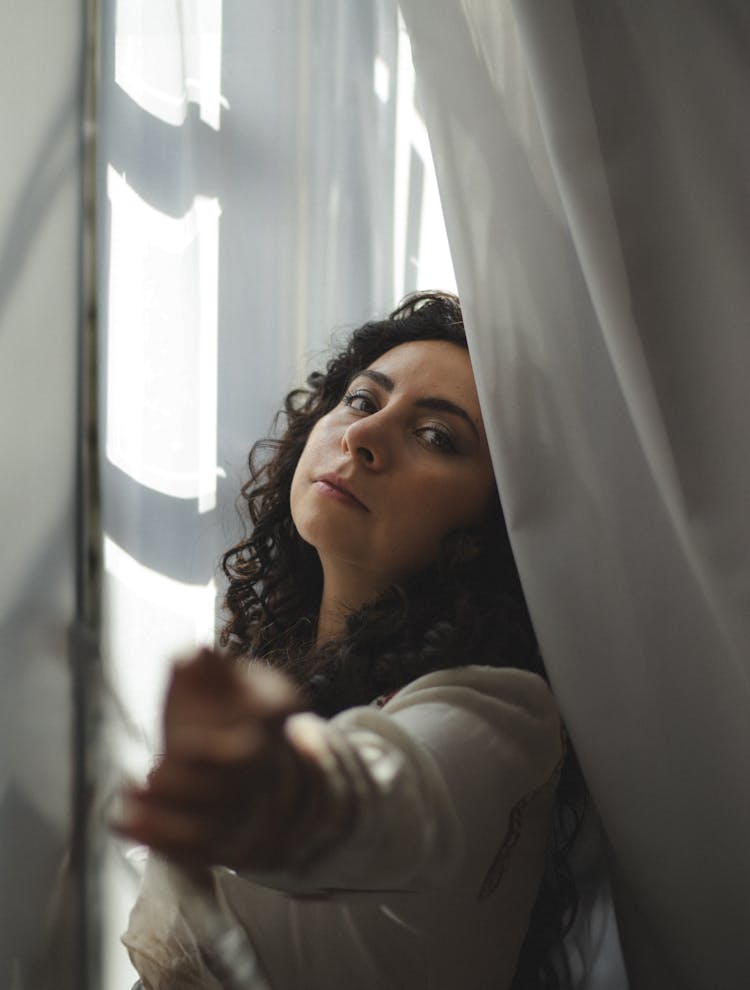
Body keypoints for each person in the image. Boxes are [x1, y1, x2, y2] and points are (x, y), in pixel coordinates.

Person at [118, 292, 585, 989]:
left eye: (438, 436)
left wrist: (272, 790)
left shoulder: (504, 711)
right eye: (364, 401)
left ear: (494, 529)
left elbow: (391, 800)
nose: (363, 437)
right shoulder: (283, 663)